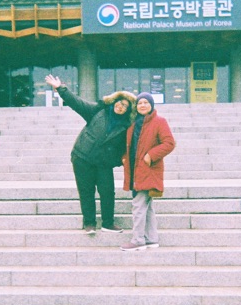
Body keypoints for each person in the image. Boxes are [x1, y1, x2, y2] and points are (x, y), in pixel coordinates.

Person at [45, 74, 137, 235]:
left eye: (125, 106)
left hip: (103, 163)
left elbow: (125, 149)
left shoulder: (127, 126)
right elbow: (77, 103)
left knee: (107, 192)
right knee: (86, 191)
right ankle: (89, 223)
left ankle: (108, 223)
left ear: (128, 110)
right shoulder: (98, 111)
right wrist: (60, 88)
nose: (121, 106)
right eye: (119, 102)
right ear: (114, 101)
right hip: (83, 157)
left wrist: (115, 161)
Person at [120, 92, 175, 251]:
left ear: (151, 105)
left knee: (138, 206)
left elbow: (169, 143)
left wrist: (151, 155)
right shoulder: (133, 123)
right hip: (134, 171)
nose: (142, 105)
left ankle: (138, 240)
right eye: (139, 103)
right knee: (147, 207)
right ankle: (151, 239)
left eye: (146, 102)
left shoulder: (159, 121)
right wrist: (124, 158)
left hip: (148, 170)